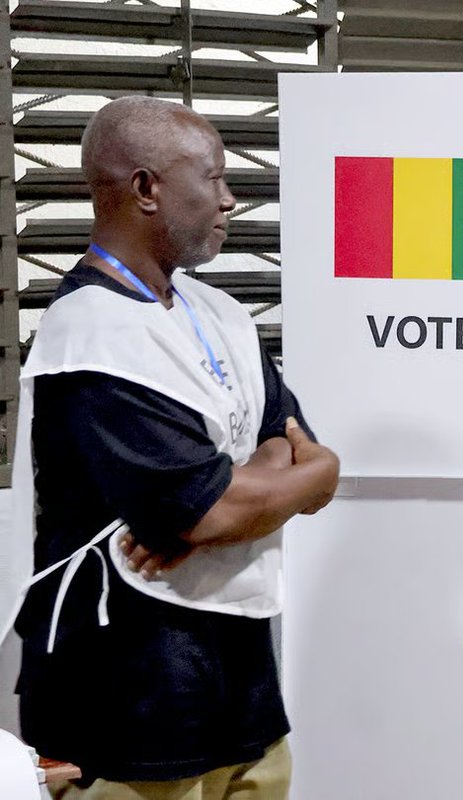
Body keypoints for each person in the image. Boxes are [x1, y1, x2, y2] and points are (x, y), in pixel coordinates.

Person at [5, 96, 340, 798]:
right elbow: (210, 512)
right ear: (145, 189)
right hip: (133, 710)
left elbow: (289, 449)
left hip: (243, 695)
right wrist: (248, 493)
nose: (230, 198)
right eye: (212, 177)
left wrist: (297, 475)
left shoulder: (218, 314)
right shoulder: (88, 337)